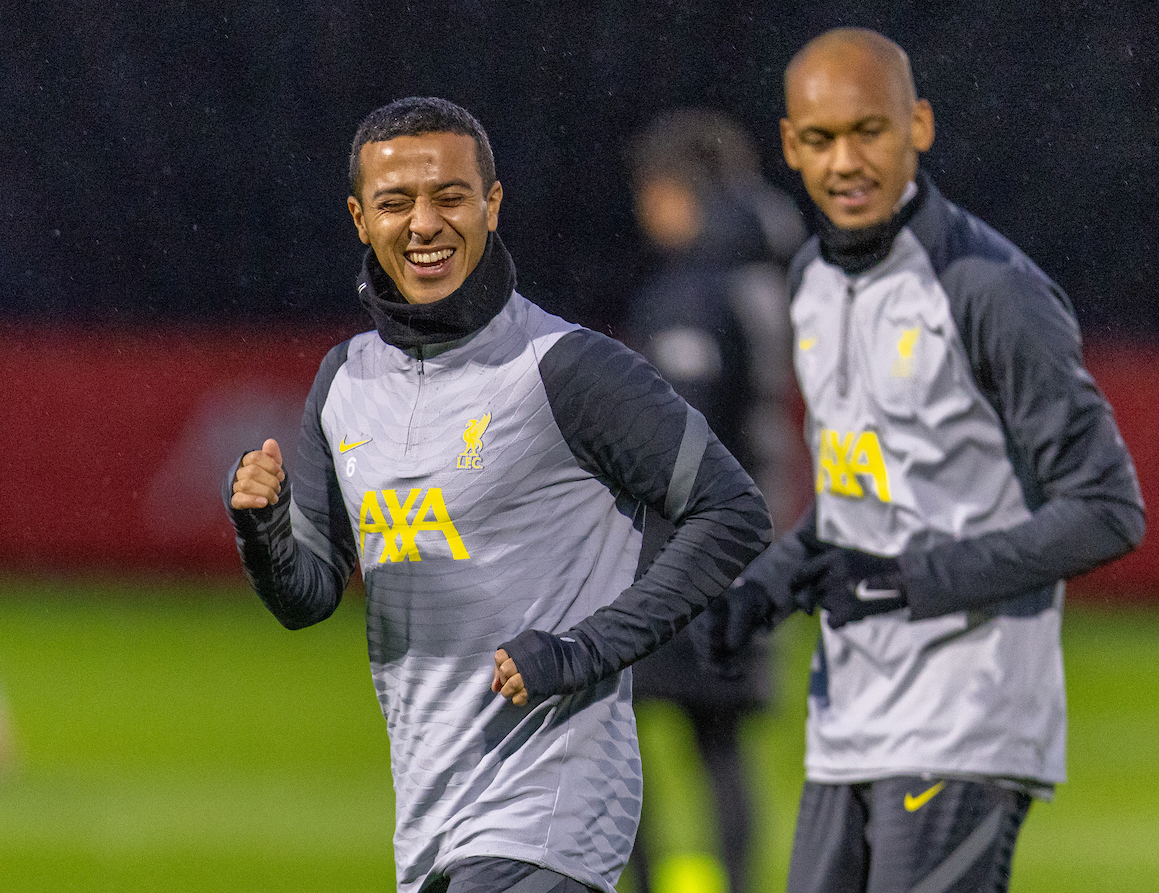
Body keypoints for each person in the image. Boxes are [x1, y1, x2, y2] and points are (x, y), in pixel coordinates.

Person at [223, 97, 771, 893]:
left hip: (550, 809)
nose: (424, 223)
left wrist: (584, 649)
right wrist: (264, 529)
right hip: (431, 813)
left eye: (449, 196)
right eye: (394, 202)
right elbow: (307, 595)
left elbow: (732, 509)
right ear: (358, 217)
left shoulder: (563, 366)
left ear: (492, 203)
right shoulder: (346, 382)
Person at [701, 28, 1145, 893]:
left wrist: (912, 579)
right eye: (822, 139)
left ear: (921, 127)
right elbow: (862, 494)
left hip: (966, 716)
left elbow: (1107, 505)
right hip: (849, 718)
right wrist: (763, 589)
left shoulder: (988, 287)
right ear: (791, 146)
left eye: (870, 131)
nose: (846, 162)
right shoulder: (812, 282)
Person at [619, 108, 804, 893]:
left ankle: (648, 878)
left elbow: (679, 434)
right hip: (756, 534)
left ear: (672, 191)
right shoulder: (770, 279)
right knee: (723, 740)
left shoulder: (692, 292)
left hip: (687, 550)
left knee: (602, 725)